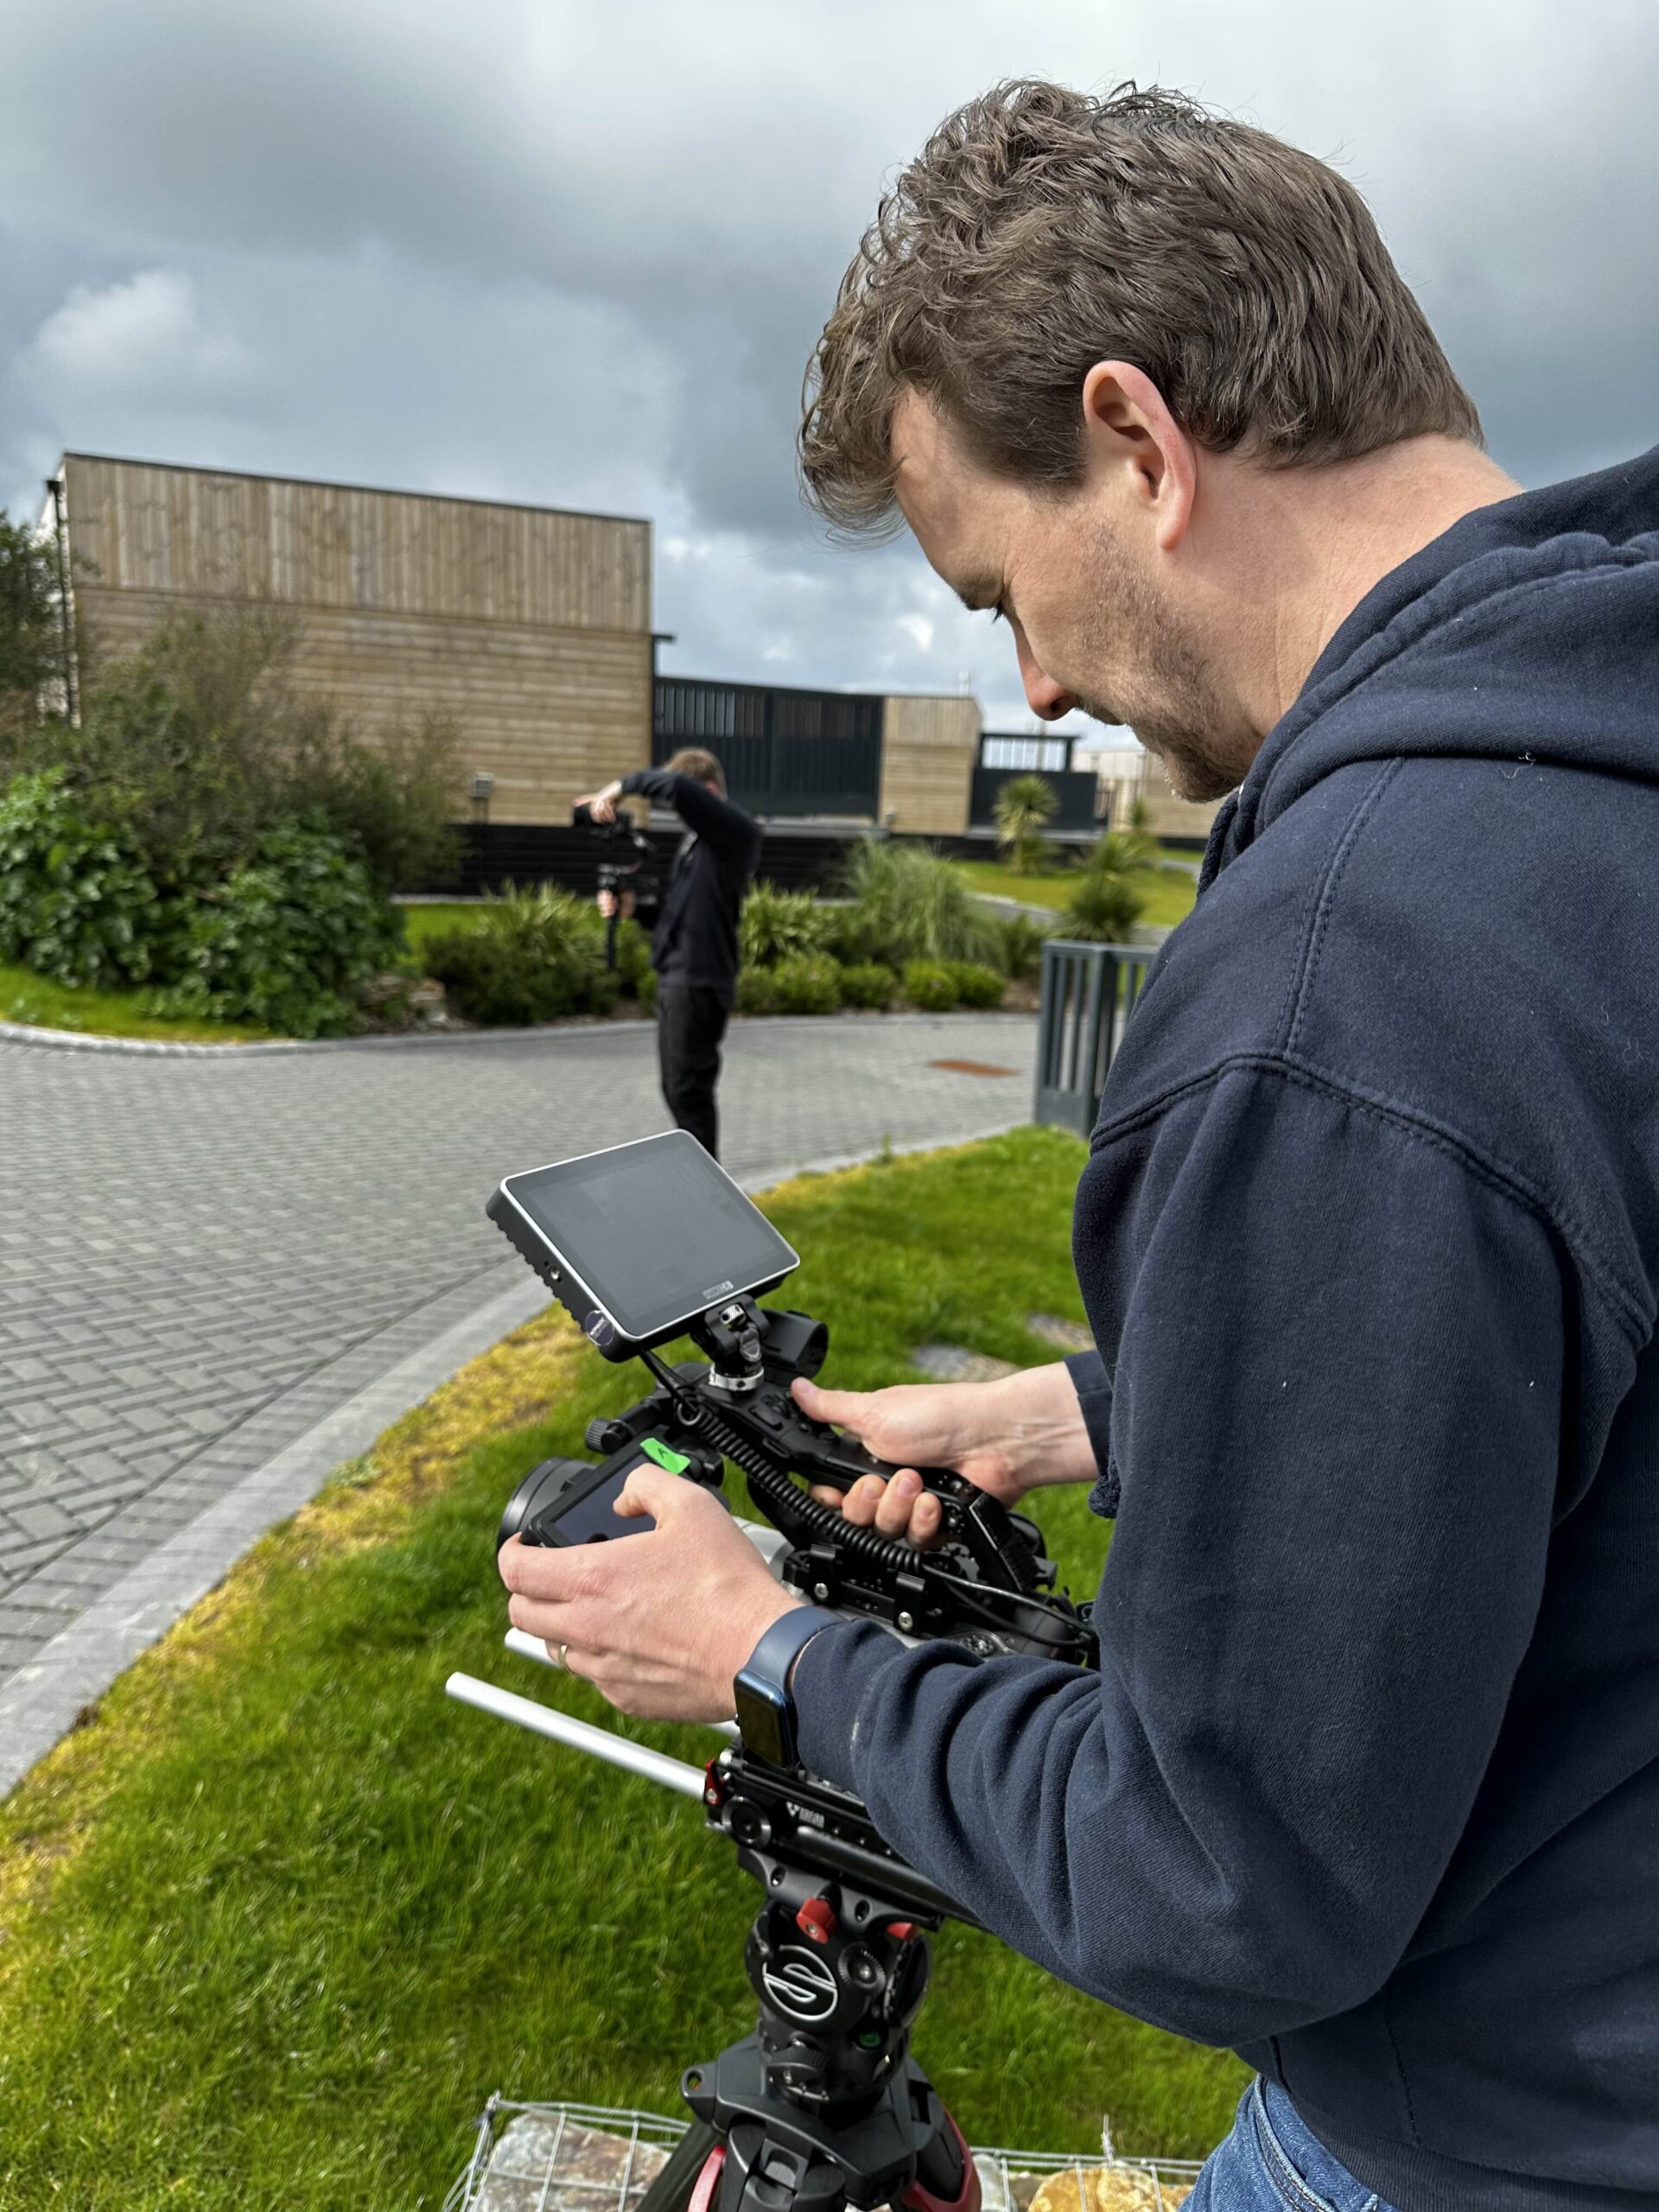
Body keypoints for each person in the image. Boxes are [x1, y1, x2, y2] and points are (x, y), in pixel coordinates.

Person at [507, 81, 1659, 2212]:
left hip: (1501, 2129)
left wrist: (765, 1648)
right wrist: (1092, 1411)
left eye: (993, 587)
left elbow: (1233, 1877)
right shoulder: (1600, 767)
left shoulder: (1345, 982)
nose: (1035, 677)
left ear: (1138, 442)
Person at [577, 747, 759, 1160]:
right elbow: (679, 914)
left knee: (688, 1092)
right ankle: (702, 1183)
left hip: (700, 981)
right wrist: (633, 910)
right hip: (678, 977)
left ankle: (708, 1194)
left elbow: (675, 786)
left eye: (689, 801)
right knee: (676, 1089)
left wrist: (617, 790)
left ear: (709, 792)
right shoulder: (696, 846)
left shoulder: (735, 834)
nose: (679, 810)